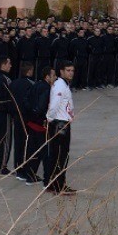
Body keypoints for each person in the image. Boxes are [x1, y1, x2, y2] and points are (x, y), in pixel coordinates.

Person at [44, 61, 76, 195]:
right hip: (60, 124)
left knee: (57, 154)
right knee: (61, 155)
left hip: (61, 123)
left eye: (72, 70)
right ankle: (58, 185)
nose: (71, 73)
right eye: (68, 70)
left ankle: (52, 183)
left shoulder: (63, 85)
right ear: (61, 72)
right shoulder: (60, 86)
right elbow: (54, 105)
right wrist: (50, 119)